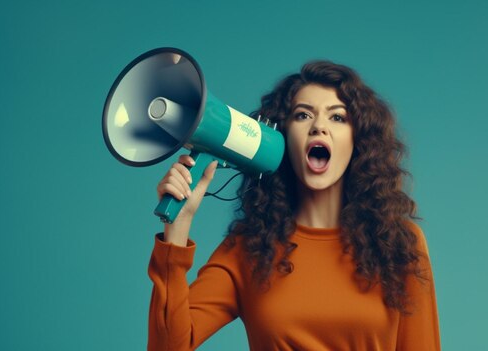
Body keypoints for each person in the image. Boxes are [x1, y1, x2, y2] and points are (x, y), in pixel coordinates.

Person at [147, 61, 441, 350]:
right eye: (303, 115)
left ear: (358, 141)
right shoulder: (248, 249)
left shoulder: (399, 243)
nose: (319, 128)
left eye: (337, 118)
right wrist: (178, 227)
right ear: (283, 136)